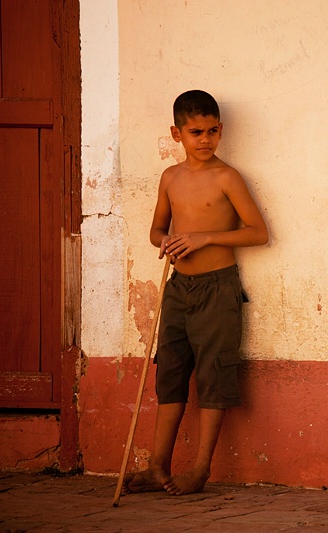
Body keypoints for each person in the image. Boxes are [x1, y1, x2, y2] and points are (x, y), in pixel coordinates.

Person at [124, 90, 268, 496]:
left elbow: (259, 233)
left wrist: (204, 237)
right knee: (169, 372)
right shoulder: (170, 178)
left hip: (217, 289)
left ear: (220, 130)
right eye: (195, 132)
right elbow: (156, 229)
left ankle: (201, 469)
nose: (204, 139)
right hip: (178, 288)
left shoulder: (227, 177)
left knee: (212, 374)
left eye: (212, 131)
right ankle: (157, 466)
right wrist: (165, 241)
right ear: (176, 134)